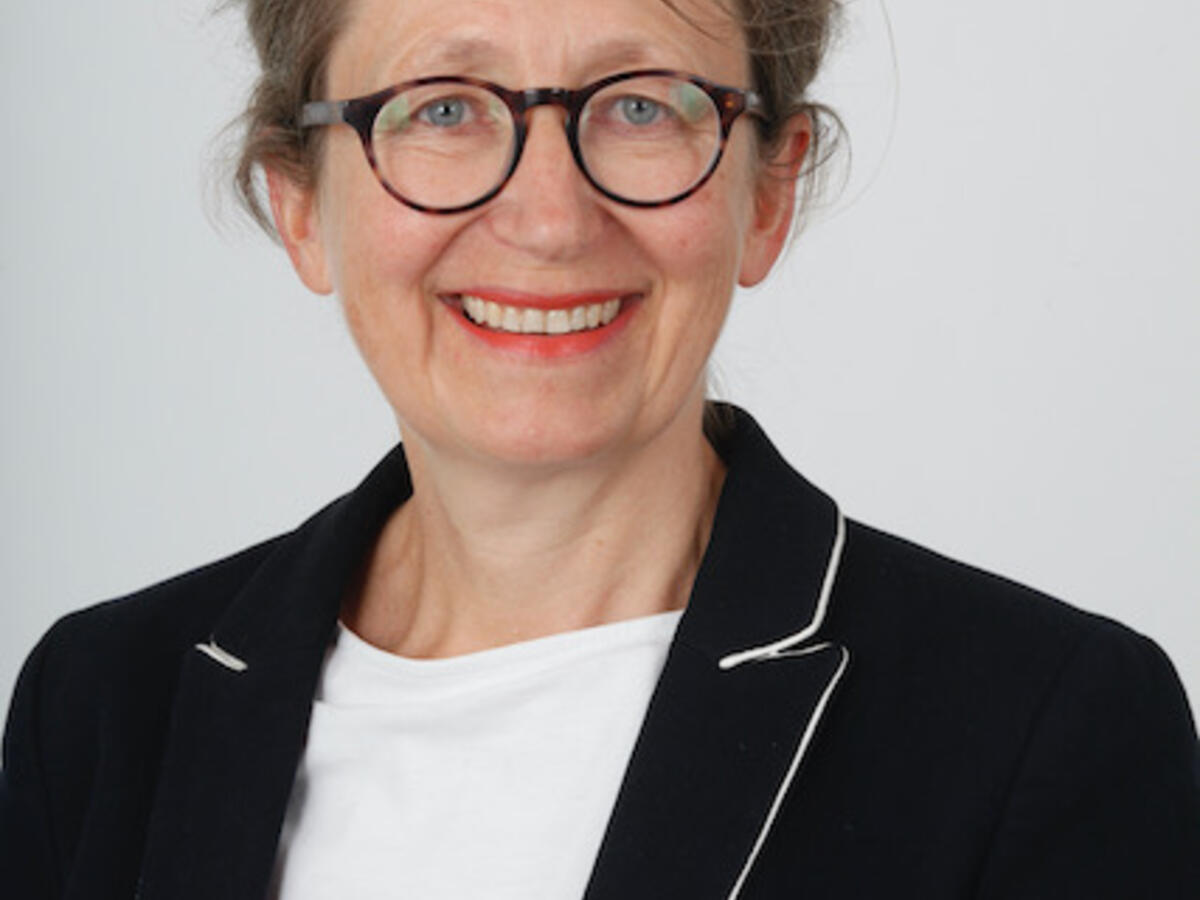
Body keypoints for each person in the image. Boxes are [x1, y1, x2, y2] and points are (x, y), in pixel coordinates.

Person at [2, 0, 1198, 896]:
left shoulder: (1047, 728)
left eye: (641, 107)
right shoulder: (98, 707)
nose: (549, 220)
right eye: (443, 108)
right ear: (300, 203)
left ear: (768, 194)